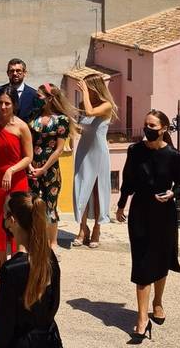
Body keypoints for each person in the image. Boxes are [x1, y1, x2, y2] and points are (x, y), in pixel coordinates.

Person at [116, 110, 180, 342]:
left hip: (164, 215)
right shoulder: (134, 151)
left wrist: (172, 193)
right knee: (142, 263)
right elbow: (127, 180)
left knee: (161, 260)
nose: (148, 129)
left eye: (153, 125)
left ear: (164, 128)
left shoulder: (174, 155)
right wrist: (120, 206)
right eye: (146, 124)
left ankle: (157, 302)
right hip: (140, 212)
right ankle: (141, 319)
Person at [0, 192, 63, 348]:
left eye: (4, 213)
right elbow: (53, 305)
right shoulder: (49, 257)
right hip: (50, 339)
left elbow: (4, 326)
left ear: (12, 221)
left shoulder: (11, 270)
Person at [0, 89, 33, 275]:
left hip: (16, 179)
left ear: (14, 105)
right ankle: (3, 266)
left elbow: (29, 157)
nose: (3, 107)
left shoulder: (22, 127)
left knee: (17, 220)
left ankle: (17, 263)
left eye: (7, 103)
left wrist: (11, 170)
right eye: (0, 103)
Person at [26, 84, 75, 249]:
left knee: (50, 206)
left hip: (50, 169)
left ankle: (52, 243)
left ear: (50, 98)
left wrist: (44, 168)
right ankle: (37, 241)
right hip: (32, 167)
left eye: (40, 96)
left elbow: (59, 149)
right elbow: (28, 142)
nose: (37, 99)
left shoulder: (62, 120)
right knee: (33, 205)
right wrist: (30, 166)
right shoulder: (33, 116)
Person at [72, 74, 117, 249]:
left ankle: (97, 229)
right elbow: (82, 127)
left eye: (87, 88)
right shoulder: (84, 104)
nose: (85, 91)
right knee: (80, 189)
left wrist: (83, 92)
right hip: (84, 151)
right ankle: (83, 229)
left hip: (98, 153)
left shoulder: (106, 105)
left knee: (97, 192)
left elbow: (91, 113)